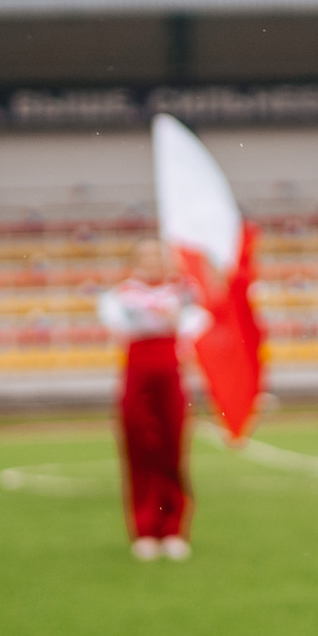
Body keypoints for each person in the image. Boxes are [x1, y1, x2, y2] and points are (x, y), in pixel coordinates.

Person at [98, 239, 204, 560]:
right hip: (138, 373)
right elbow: (120, 329)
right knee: (139, 449)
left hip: (171, 373)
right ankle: (144, 529)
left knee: (172, 448)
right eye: (145, 255)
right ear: (134, 260)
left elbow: (194, 325)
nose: (152, 261)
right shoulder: (119, 296)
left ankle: (173, 528)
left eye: (157, 255)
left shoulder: (183, 292)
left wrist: (177, 314)